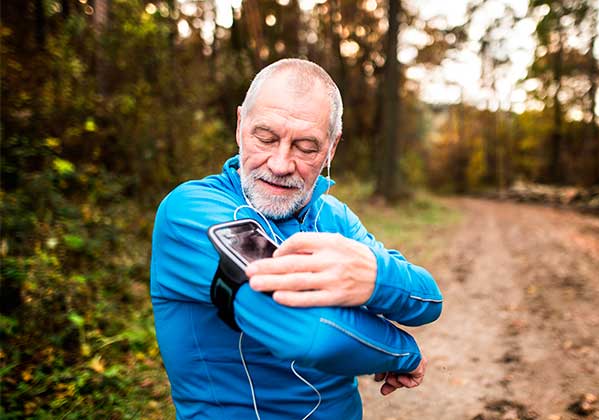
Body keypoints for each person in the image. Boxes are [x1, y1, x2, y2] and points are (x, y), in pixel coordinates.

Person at [150, 58, 443, 419]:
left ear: (331, 148)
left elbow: (428, 299)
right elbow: (313, 334)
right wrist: (405, 354)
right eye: (266, 137)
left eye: (305, 146)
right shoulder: (192, 212)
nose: (280, 163)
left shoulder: (332, 214)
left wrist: (373, 276)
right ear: (240, 125)